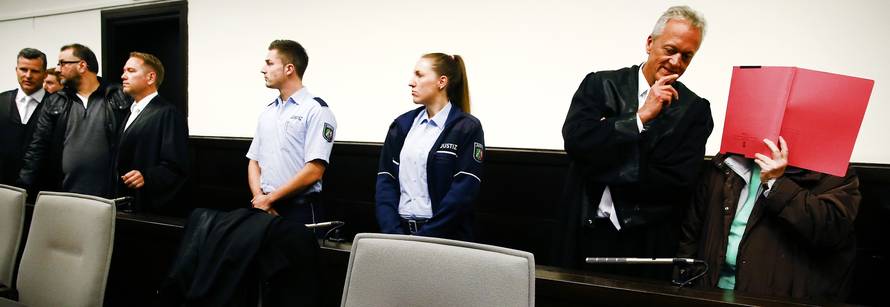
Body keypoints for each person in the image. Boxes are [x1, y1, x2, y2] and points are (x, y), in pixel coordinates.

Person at [560, 5, 714, 277]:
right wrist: (638, 119)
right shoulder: (600, 84)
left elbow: (677, 182)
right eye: (671, 50)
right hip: (584, 232)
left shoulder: (695, 110)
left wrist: (601, 158)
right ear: (650, 43)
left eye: (687, 56)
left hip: (645, 243)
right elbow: (576, 142)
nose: (677, 62)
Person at [677, 137, 860, 301]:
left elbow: (831, 229)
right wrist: (685, 285)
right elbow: (692, 231)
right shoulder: (727, 161)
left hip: (775, 298)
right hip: (712, 292)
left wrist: (776, 184)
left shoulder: (832, 170)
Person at [375, 53, 485, 241]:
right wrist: (394, 234)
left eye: (419, 75)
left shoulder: (466, 128)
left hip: (445, 238)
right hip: (399, 235)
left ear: (441, 82)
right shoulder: (401, 125)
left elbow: (462, 194)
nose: (411, 82)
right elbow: (386, 181)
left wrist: (425, 238)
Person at [18, 43, 131, 198]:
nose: (58, 69)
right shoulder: (55, 101)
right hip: (64, 195)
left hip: (109, 197)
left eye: (62, 63)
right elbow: (38, 147)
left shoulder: (118, 96)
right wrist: (23, 188)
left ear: (82, 66)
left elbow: (136, 143)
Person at [247, 40, 337, 225]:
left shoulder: (316, 110)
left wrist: (270, 199)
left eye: (270, 63)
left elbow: (314, 171)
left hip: (299, 209)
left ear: (289, 69)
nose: (263, 69)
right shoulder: (268, 111)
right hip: (263, 207)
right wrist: (260, 199)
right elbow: (254, 161)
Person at [116, 52, 189, 213]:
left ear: (150, 78)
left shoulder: (168, 113)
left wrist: (147, 176)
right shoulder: (132, 111)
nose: (123, 76)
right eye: (124, 70)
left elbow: (176, 166)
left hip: (148, 207)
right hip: (126, 203)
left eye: (131, 71)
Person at [0, 48, 47, 187]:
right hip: (3, 189)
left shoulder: (56, 106)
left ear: (45, 74)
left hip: (43, 191)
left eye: (35, 71)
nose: (28, 75)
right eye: (23, 69)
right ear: (16, 70)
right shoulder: (1, 101)